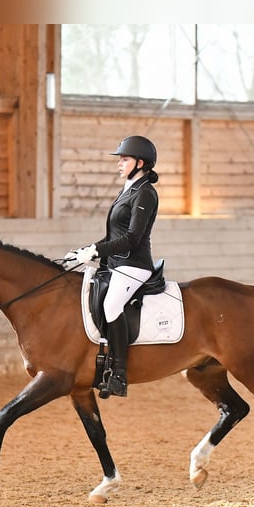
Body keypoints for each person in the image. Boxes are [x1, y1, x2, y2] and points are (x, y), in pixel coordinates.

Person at [69, 135, 160, 399]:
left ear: (140, 162)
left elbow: (132, 238)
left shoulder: (145, 193)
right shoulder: (129, 188)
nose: (119, 164)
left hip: (134, 265)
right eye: (120, 160)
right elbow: (113, 236)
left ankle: (119, 374)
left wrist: (97, 251)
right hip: (117, 263)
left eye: (124, 160)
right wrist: (85, 251)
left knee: (111, 305)